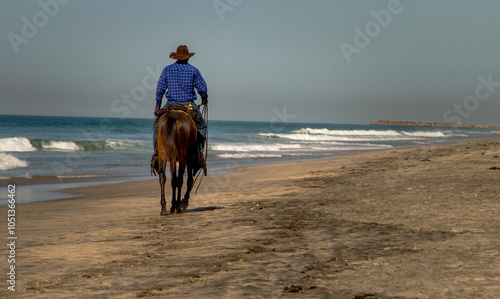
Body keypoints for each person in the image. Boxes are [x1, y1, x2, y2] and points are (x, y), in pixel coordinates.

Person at [152, 45, 208, 165]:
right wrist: (204, 99)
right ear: (188, 58)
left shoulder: (167, 69)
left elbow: (160, 89)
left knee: (157, 124)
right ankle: (200, 153)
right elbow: (202, 88)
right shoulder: (193, 70)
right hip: (188, 105)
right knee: (202, 126)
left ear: (176, 57)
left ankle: (156, 154)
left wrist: (158, 104)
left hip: (170, 104)